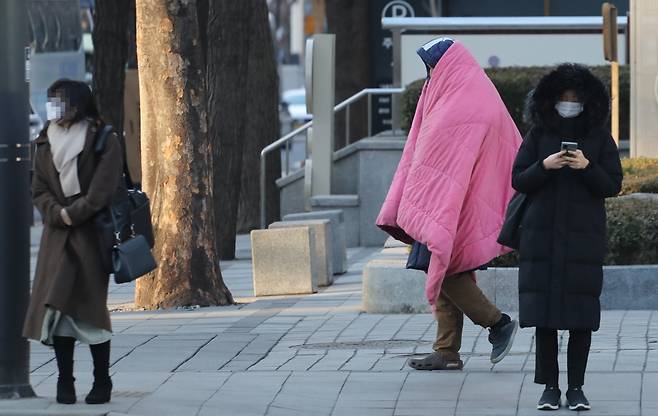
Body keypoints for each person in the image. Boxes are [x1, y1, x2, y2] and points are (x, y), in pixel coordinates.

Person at [376, 38, 522, 370]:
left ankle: (498, 323)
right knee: (439, 267)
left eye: (431, 65)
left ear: (446, 65)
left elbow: (442, 160)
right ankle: (447, 351)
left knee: (447, 269)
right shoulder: (467, 94)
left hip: (451, 207)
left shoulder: (461, 102)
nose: (429, 72)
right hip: (451, 204)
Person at [512, 63, 623, 411]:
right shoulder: (537, 134)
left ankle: (576, 388)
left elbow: (612, 185)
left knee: (580, 319)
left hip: (582, 241)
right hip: (540, 240)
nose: (569, 103)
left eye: (575, 97)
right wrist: (545, 166)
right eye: (564, 97)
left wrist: (586, 167)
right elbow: (518, 179)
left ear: (588, 101)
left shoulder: (600, 137)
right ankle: (550, 387)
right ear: (551, 99)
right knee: (544, 319)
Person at [23, 79, 123, 405]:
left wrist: (73, 213)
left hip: (91, 236)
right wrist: (57, 214)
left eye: (62, 102)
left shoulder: (103, 138)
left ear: (78, 104)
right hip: (56, 239)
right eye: (52, 102)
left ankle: (102, 380)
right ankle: (65, 381)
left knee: (91, 310)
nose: (56, 109)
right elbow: (38, 189)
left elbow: (102, 190)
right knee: (59, 311)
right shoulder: (43, 142)